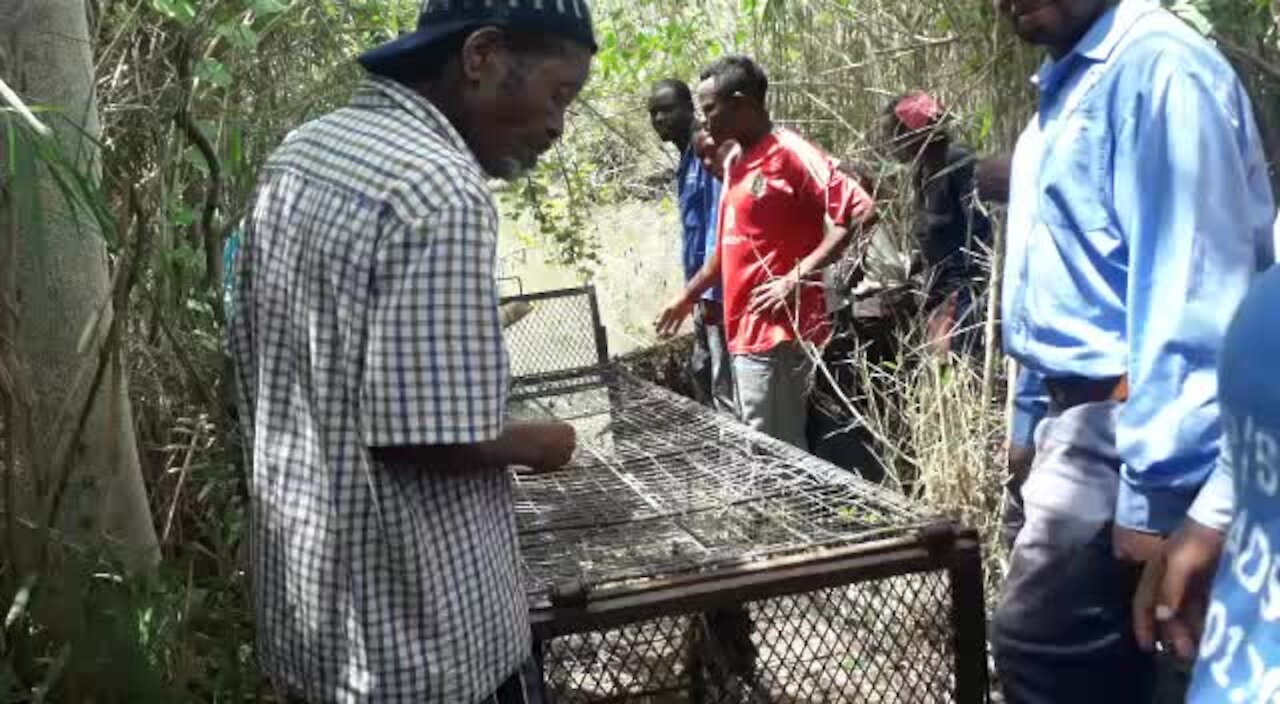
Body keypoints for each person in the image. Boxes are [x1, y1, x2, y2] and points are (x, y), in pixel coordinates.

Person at [226, 1, 595, 701]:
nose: (557, 126)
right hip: (429, 651)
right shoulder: (440, 188)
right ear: (481, 56)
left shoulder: (302, 150)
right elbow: (425, 437)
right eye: (558, 93)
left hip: (313, 629)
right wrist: (539, 442)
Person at [990, 0, 1276, 702]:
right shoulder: (1064, 91)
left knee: (1046, 650)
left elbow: (1193, 296)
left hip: (1129, 426)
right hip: (1075, 421)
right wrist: (1029, 423)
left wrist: (1160, 501)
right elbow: (1060, 279)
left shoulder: (1157, 71)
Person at [655, 55, 875, 451]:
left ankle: (793, 515)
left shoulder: (790, 151)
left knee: (775, 454)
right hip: (743, 331)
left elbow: (859, 212)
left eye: (710, 109)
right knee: (767, 448)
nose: (704, 120)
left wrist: (795, 277)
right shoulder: (736, 162)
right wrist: (687, 297)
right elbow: (727, 250)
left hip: (779, 333)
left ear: (740, 103)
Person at [880, 90, 991, 356]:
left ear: (914, 134)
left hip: (963, 288)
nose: (891, 143)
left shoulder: (958, 161)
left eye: (895, 135)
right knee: (940, 362)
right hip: (939, 286)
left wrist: (973, 286)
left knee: (959, 358)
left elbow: (981, 227)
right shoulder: (922, 170)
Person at [647, 80, 734, 413]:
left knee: (726, 385)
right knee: (705, 373)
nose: (659, 119)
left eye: (666, 110)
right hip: (702, 292)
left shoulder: (707, 152)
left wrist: (706, 297)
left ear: (689, 108)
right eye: (653, 113)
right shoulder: (686, 157)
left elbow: (721, 232)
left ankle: (741, 458)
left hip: (719, 294)